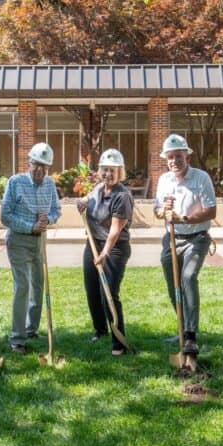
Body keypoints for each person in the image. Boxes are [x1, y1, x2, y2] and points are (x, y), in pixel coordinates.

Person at [154, 134, 217, 356]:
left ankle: (190, 336)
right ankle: (181, 326)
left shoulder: (201, 178)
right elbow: (157, 210)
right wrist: (164, 211)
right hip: (171, 238)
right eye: (170, 157)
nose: (174, 161)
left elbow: (211, 210)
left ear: (187, 156)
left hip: (197, 238)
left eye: (178, 156)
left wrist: (184, 218)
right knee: (174, 285)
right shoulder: (164, 180)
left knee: (188, 278)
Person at [0, 142, 62, 355]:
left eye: (44, 167)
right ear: (29, 163)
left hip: (39, 241)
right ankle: (17, 339)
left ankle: (31, 329)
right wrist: (30, 227)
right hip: (18, 240)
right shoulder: (15, 182)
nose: (39, 170)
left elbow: (56, 210)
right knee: (23, 286)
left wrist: (49, 219)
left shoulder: (49, 185)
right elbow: (5, 216)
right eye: (36, 165)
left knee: (38, 285)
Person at [78, 148, 134, 356]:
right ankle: (100, 329)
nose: (108, 174)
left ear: (120, 172)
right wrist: (81, 203)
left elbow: (115, 230)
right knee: (92, 289)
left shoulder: (122, 196)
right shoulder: (99, 189)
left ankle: (118, 341)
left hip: (115, 248)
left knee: (108, 292)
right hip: (93, 243)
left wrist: (105, 254)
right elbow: (86, 201)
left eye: (113, 170)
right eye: (105, 170)